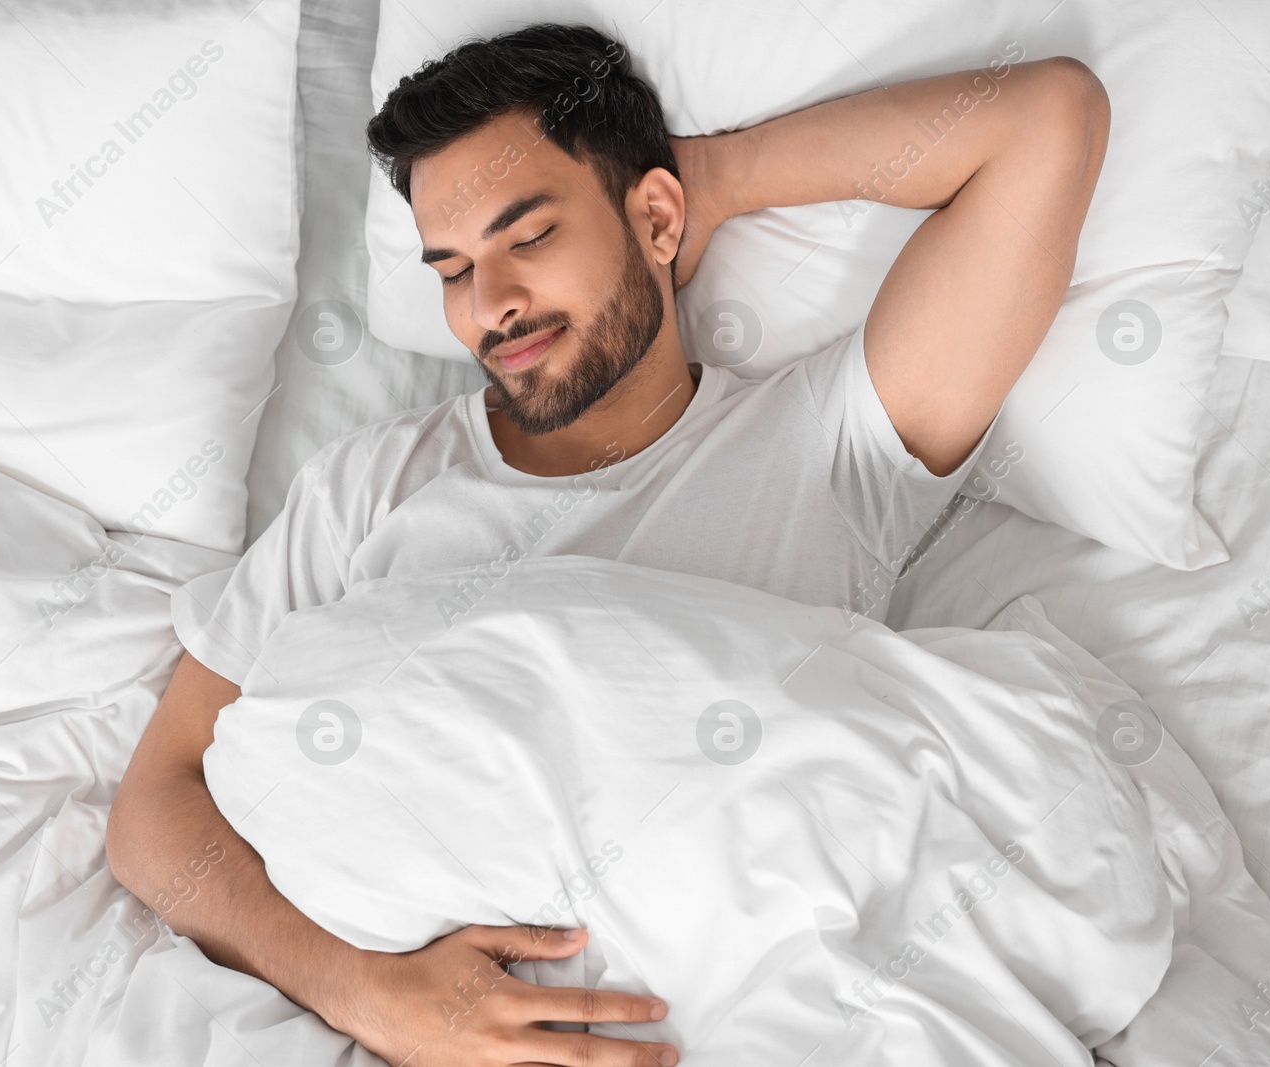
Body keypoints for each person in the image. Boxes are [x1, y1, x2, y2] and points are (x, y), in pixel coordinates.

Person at [107, 22, 1108, 1067]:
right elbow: (154, 804)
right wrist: (364, 992)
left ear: (656, 217)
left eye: (527, 237)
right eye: (451, 267)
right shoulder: (370, 483)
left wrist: (706, 178)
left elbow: (1048, 120)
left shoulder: (826, 442)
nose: (488, 304)